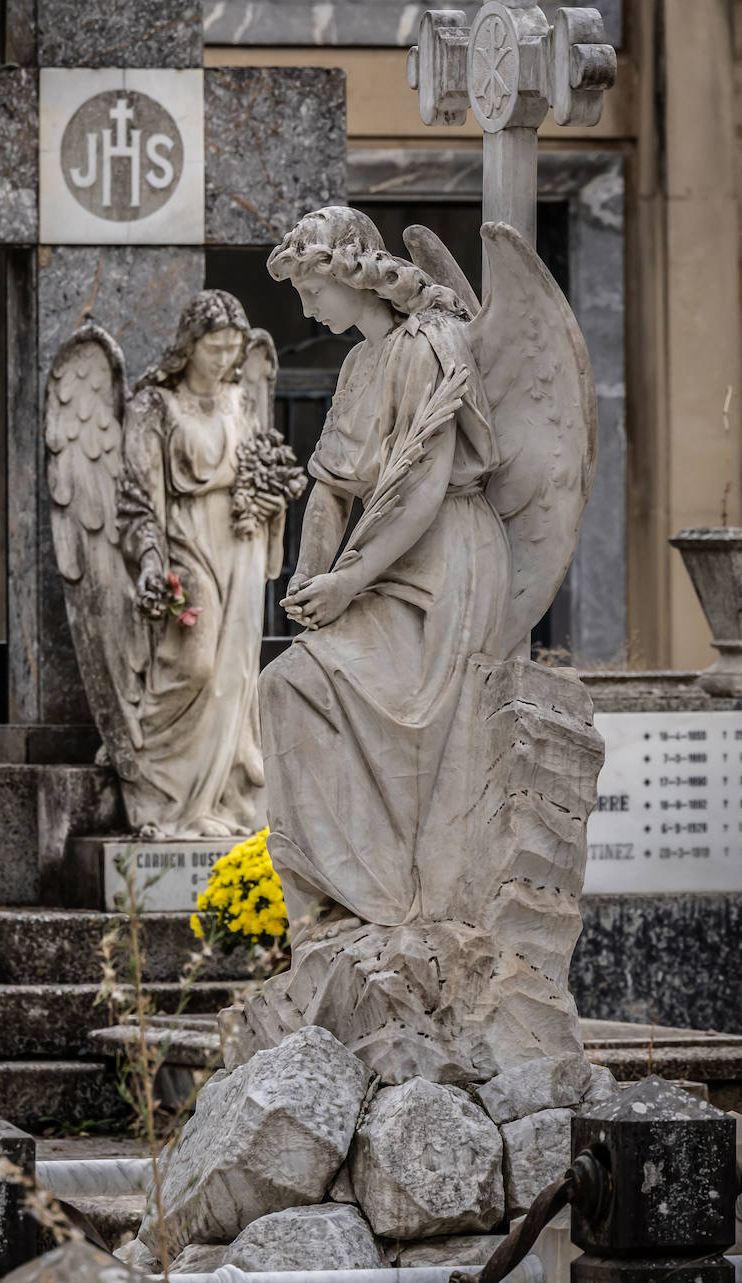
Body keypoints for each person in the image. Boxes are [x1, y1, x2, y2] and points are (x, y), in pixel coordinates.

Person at [261, 206, 512, 933]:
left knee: (352, 700)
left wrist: (349, 581)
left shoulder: (435, 344)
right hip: (384, 561)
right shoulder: (360, 362)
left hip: (442, 564)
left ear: (352, 276)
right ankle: (348, 898)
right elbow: (333, 486)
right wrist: (310, 578)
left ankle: (407, 902)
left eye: (312, 289)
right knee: (288, 683)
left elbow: (422, 489)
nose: (306, 306)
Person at [115, 290, 286, 838]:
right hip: (185, 543)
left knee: (236, 674)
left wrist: (270, 501)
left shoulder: (242, 401)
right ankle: (165, 793)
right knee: (196, 666)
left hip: (241, 541)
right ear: (189, 346)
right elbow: (137, 500)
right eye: (213, 347)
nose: (223, 359)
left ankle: (220, 801)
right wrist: (149, 563)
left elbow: (265, 473)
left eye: (232, 348)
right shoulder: (154, 407)